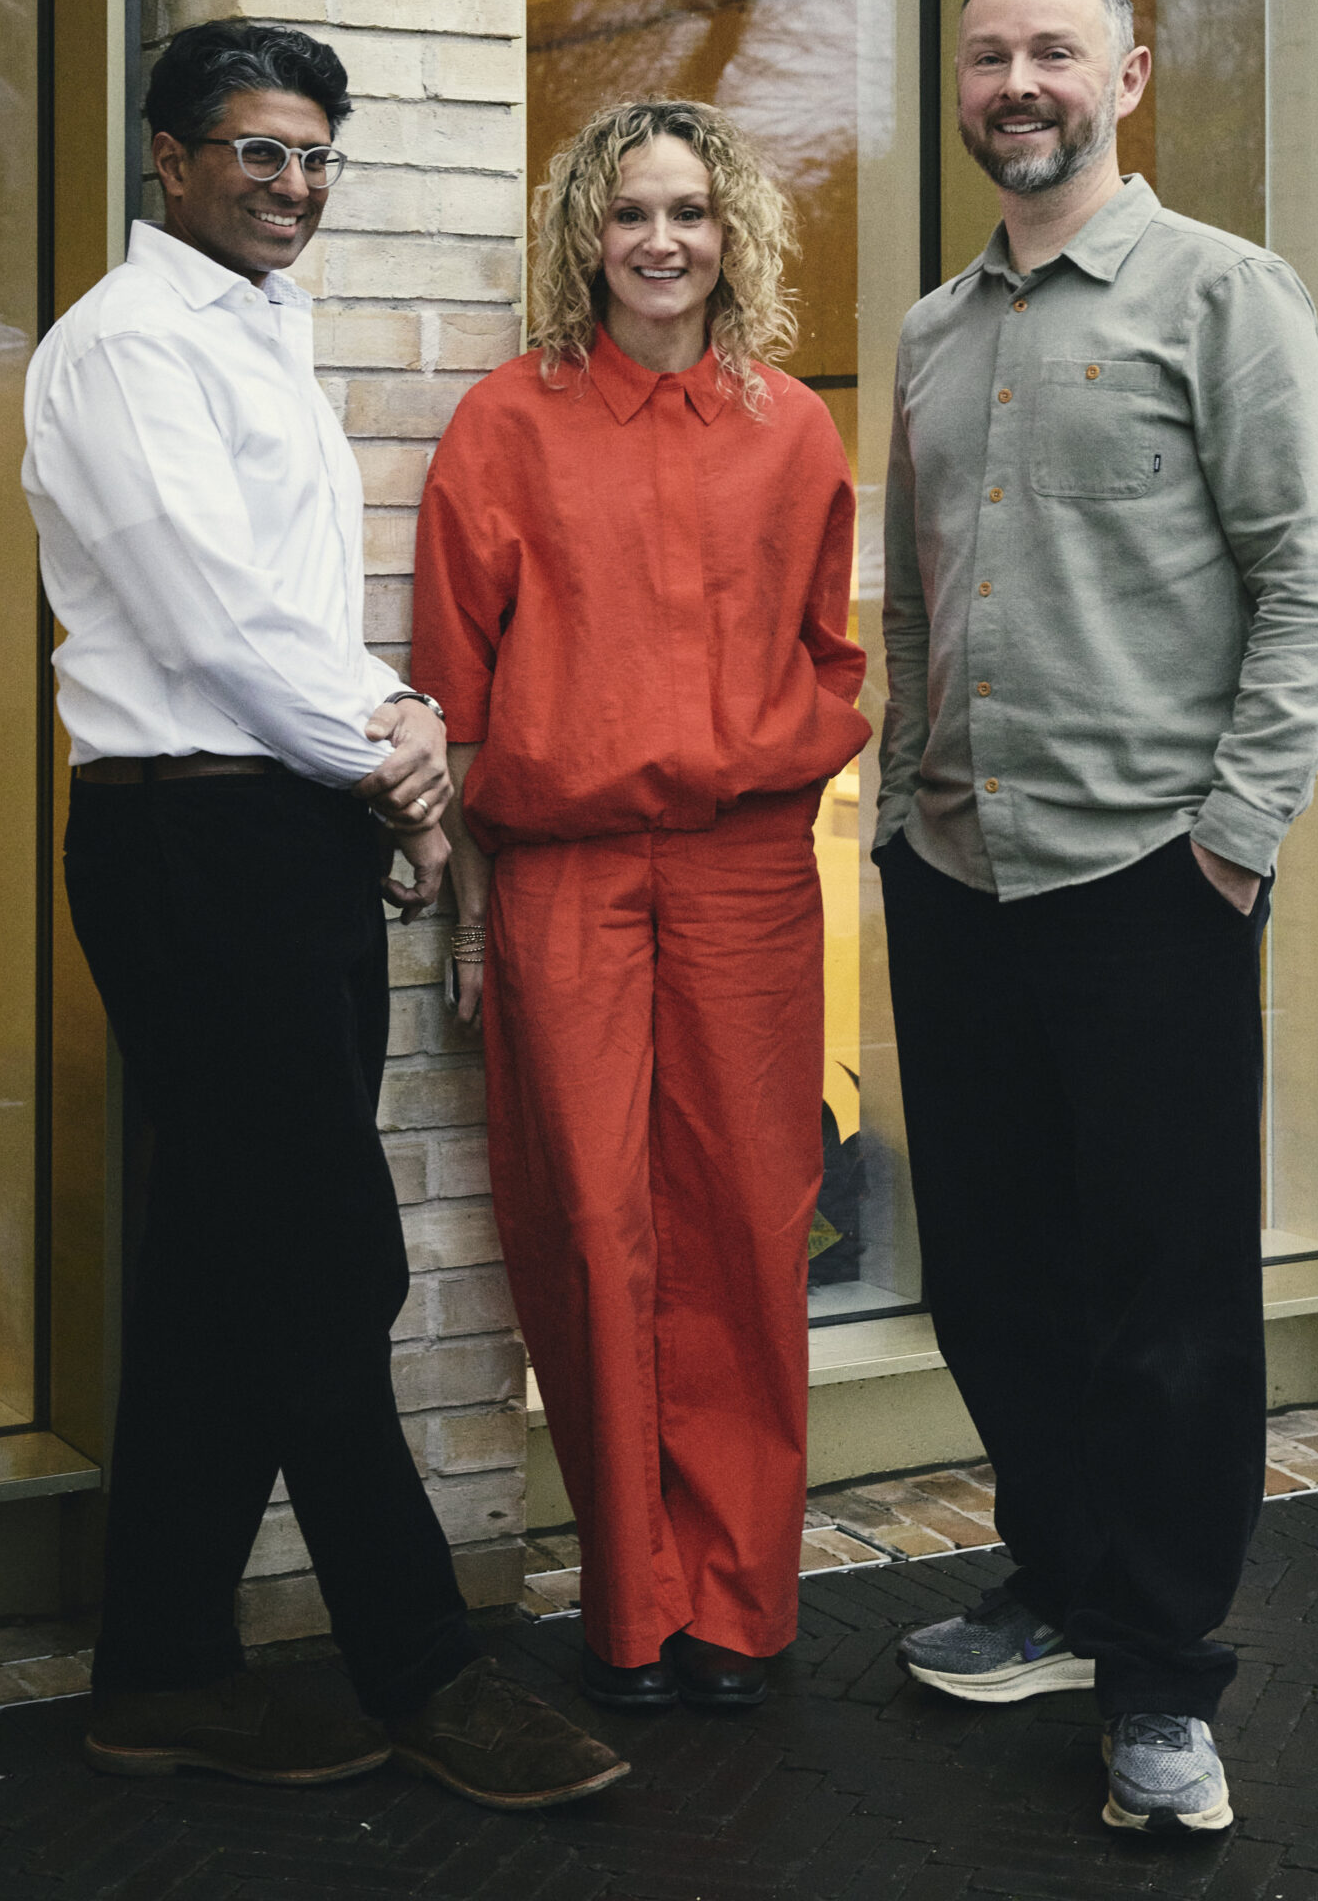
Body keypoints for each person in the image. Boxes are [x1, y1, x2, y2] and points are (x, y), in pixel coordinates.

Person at [21, 19, 626, 1809]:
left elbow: (287, 619)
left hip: (266, 832)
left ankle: (162, 1674)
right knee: (323, 1256)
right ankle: (425, 1670)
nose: (292, 186)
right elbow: (214, 625)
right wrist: (397, 757)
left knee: (226, 1258)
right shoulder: (126, 346)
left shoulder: (249, 337)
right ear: (168, 158)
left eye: (313, 158)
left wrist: (396, 735)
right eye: (256, 153)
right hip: (188, 843)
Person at [878, 0, 1318, 1836]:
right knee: (996, 1282)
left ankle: (1162, 1679)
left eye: (1054, 52)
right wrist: (904, 798)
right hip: (958, 873)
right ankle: (1062, 1584)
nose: (1019, 81)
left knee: (1165, 1305)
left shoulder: (1225, 295)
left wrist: (1231, 841)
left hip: (1145, 879)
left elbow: (1309, 591)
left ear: (1127, 75)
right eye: (990, 54)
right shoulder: (929, 332)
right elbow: (918, 597)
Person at [411, 99, 869, 1716]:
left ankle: (737, 1606)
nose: (660, 242)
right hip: (563, 878)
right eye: (628, 216)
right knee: (591, 1227)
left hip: (746, 872)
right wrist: (465, 909)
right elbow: (453, 694)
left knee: (746, 1221)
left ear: (731, 231)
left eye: (688, 211)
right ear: (582, 241)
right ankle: (630, 1600)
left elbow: (828, 651)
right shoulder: (504, 427)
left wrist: (773, 787)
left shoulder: (792, 431)